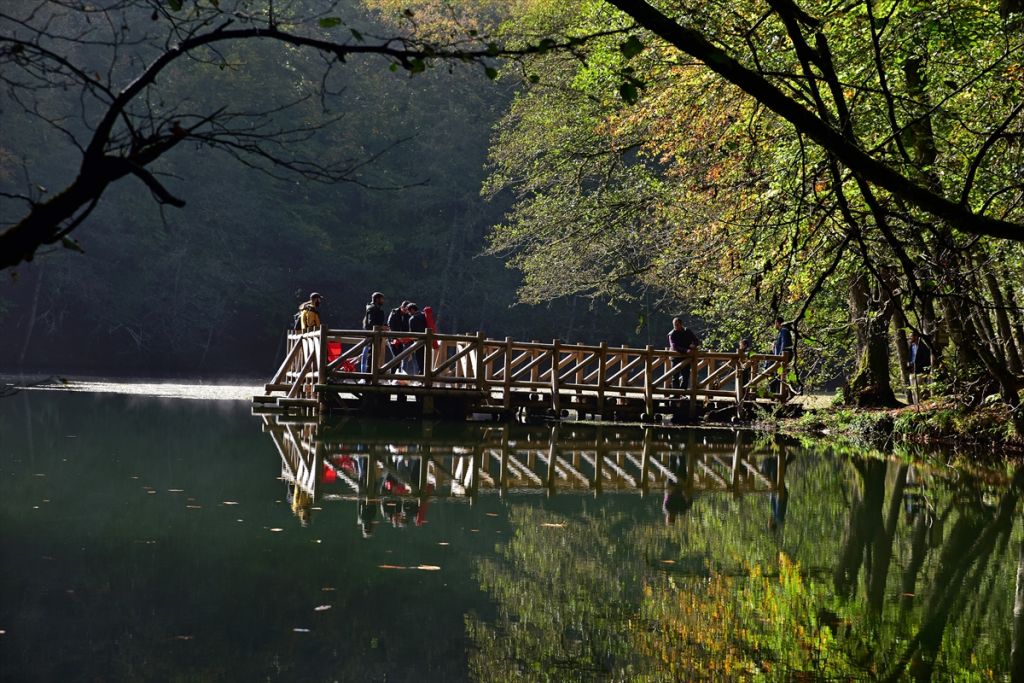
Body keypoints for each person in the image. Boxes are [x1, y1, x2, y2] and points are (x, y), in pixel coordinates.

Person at [667, 317, 699, 390]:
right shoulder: (671, 334)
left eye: (677, 325)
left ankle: (683, 392)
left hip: (686, 357)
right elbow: (674, 346)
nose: (675, 327)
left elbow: (696, 340)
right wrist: (686, 350)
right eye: (674, 325)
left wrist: (694, 345)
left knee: (686, 376)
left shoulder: (687, 331)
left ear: (681, 324)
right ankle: (676, 393)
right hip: (675, 357)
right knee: (675, 376)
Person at [360, 292, 388, 374]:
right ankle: (370, 376)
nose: (383, 301)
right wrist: (382, 327)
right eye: (382, 299)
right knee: (371, 356)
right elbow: (371, 324)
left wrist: (384, 326)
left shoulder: (375, 309)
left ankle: (373, 375)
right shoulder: (371, 309)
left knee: (374, 356)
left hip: (376, 335)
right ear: (377, 299)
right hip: (373, 336)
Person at [387, 301, 411, 377]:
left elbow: (407, 327)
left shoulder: (407, 315)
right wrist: (396, 337)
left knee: (399, 358)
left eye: (408, 310)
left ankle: (396, 377)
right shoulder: (394, 313)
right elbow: (390, 325)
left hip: (402, 340)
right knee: (396, 357)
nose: (406, 311)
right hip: (393, 338)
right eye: (405, 309)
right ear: (402, 307)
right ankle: (392, 376)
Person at [907, 331, 931, 404]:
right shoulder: (911, 346)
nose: (910, 338)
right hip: (912, 370)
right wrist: (908, 363)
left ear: (916, 337)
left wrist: (919, 367)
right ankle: (915, 405)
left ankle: (919, 405)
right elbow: (910, 357)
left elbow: (926, 359)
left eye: (911, 336)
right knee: (913, 389)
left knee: (918, 390)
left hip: (920, 371)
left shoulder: (923, 347)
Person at [407, 303, 427, 378]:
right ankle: (427, 376)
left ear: (412, 310)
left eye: (409, 311)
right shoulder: (424, 315)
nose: (409, 313)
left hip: (418, 342)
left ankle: (421, 377)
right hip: (426, 341)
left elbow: (411, 333)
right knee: (426, 360)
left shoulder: (412, 319)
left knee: (419, 361)